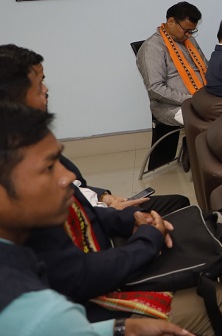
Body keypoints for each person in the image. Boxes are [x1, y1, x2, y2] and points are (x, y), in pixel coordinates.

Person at [0, 101, 211, 336]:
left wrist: (117, 332)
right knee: (208, 309)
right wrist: (147, 241)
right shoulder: (35, 312)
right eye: (48, 167)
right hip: (93, 299)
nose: (68, 177)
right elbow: (71, 291)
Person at [0, 44, 188, 215]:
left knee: (179, 202)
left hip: (97, 208)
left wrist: (103, 197)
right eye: (38, 85)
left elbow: (77, 186)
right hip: (98, 221)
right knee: (179, 209)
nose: (46, 89)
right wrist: (133, 224)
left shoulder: (31, 134)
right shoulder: (17, 155)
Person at [136, 1, 207, 128]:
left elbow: (206, 68)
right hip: (171, 107)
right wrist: (191, 99)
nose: (189, 35)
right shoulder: (152, 47)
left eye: (192, 31)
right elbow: (155, 88)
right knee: (214, 121)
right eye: (186, 30)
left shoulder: (189, 40)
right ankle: (196, 147)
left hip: (201, 99)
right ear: (171, 22)